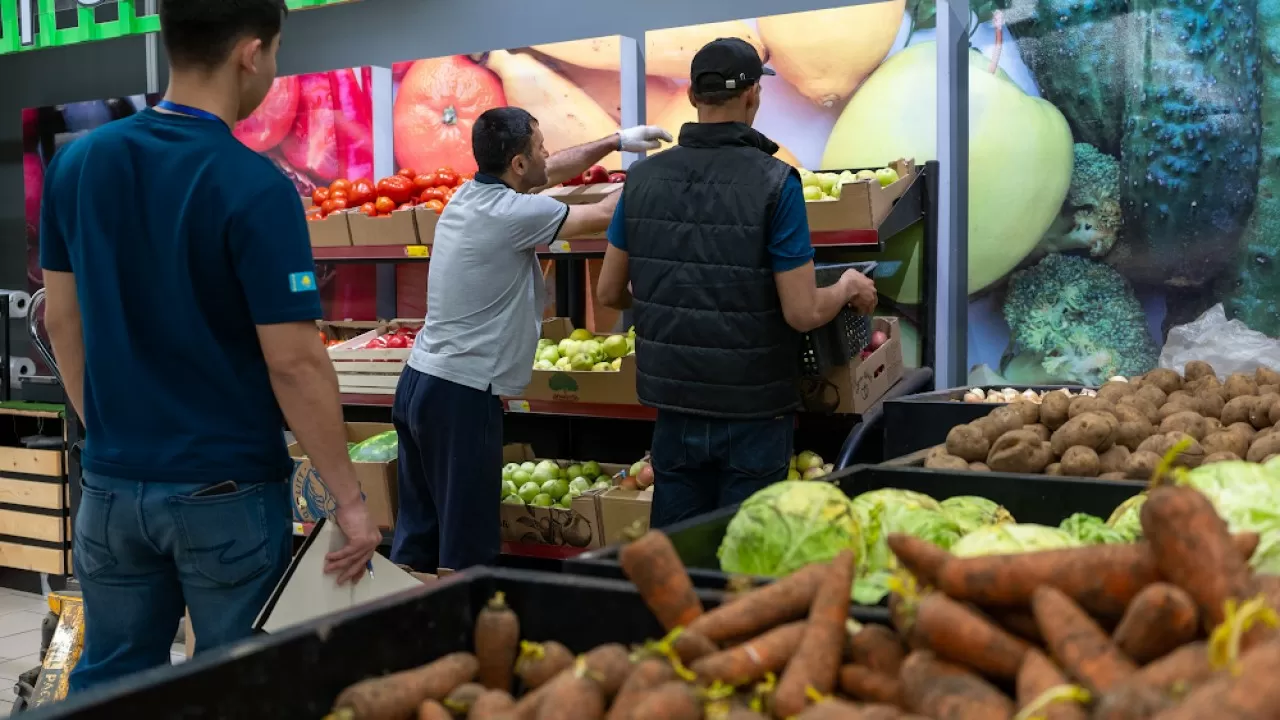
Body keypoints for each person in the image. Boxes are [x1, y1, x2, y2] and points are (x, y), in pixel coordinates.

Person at [39, 0, 381, 692]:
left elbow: (62, 322)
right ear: (250, 53)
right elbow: (293, 359)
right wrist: (348, 501)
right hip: (224, 489)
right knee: (236, 685)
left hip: (110, 484)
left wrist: (105, 431)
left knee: (110, 684)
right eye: (278, 52)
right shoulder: (254, 185)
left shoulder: (78, 166)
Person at [595, 38, 878, 527]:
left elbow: (608, 293)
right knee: (747, 561)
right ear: (753, 95)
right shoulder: (776, 182)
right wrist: (850, 284)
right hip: (753, 412)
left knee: (680, 562)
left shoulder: (641, 180)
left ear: (691, 97)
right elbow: (803, 311)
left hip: (674, 408)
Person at [391, 109, 671, 572]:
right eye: (539, 147)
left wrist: (617, 140)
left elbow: (553, 169)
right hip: (460, 396)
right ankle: (470, 630)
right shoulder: (513, 213)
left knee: (420, 533)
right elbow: (604, 213)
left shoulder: (471, 195)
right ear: (518, 165)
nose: (548, 154)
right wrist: (673, 175)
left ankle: (407, 629)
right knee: (467, 545)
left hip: (420, 383)